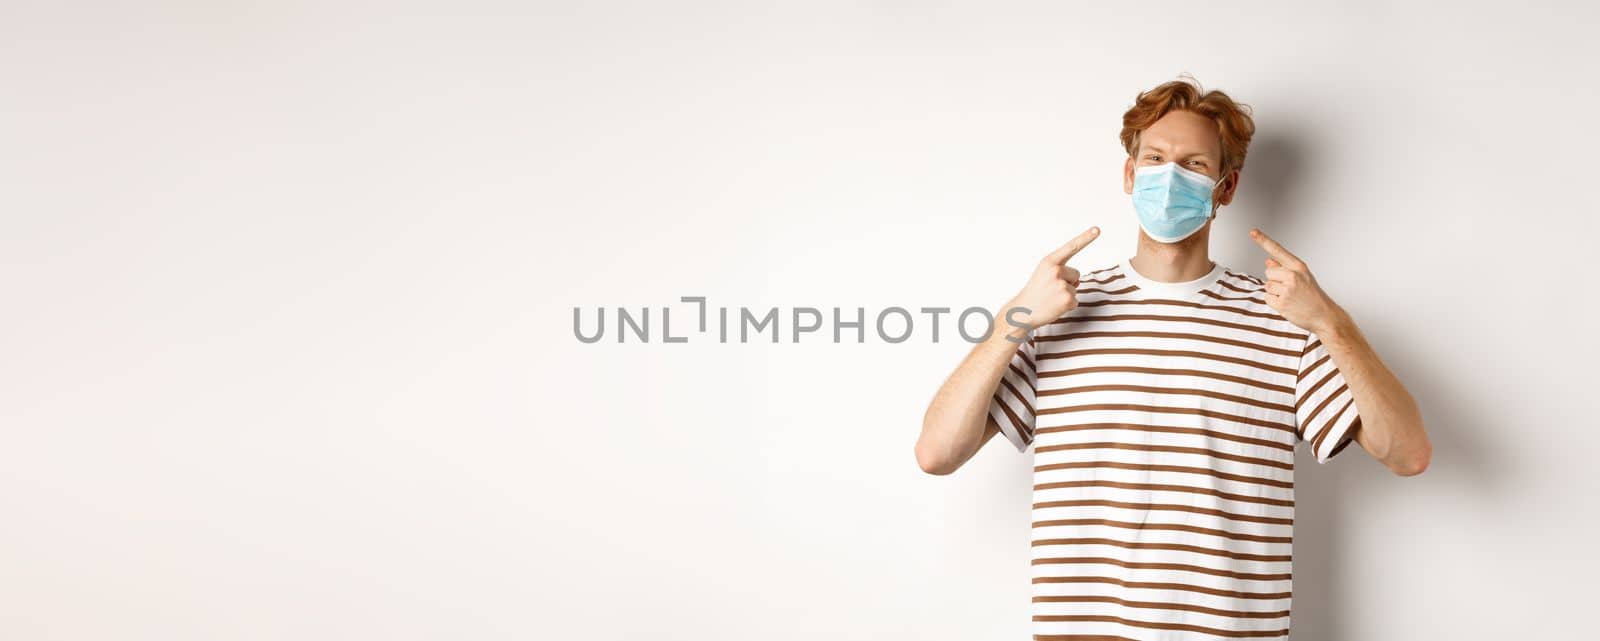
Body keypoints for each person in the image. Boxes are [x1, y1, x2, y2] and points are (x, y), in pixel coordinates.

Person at [914, 77, 1432, 639]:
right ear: (1130, 175)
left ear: (1226, 188)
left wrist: (1332, 322)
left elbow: (1407, 454)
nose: (1169, 178)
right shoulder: (1054, 312)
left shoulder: (1285, 321)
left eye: (1193, 165)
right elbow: (938, 453)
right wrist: (1013, 319)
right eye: (1155, 159)